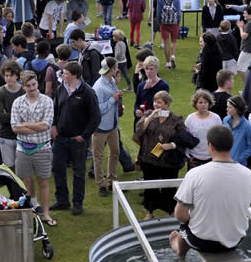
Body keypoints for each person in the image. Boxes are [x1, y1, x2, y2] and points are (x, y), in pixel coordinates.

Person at [170, 125, 251, 258]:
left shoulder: (195, 174)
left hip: (202, 241)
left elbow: (180, 214)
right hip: (235, 240)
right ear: (231, 145)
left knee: (183, 222)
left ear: (210, 145)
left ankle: (180, 243)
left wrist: (195, 219)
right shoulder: (248, 174)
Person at [51, 61, 100, 216]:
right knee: (57, 169)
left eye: (65, 73)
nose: (62, 75)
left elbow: (96, 117)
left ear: (74, 75)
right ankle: (62, 200)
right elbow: (55, 110)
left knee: (79, 172)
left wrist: (84, 136)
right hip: (60, 138)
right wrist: (53, 126)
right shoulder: (60, 89)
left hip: (77, 140)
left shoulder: (88, 92)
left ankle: (77, 203)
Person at [134, 90, 186, 220]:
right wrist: (150, 117)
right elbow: (138, 131)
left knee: (169, 188)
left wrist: (171, 145)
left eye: (159, 102)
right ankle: (150, 212)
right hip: (149, 159)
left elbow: (183, 138)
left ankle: (170, 212)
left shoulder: (176, 119)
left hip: (168, 160)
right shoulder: (148, 115)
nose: (156, 105)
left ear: (167, 104)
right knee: (150, 187)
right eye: (155, 102)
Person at [12, 71, 55, 225]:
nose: (32, 88)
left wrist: (25, 125)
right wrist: (36, 127)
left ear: (37, 83)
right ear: (23, 86)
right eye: (28, 86)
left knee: (43, 182)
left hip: (42, 148)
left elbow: (46, 125)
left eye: (34, 84)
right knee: (26, 181)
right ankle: (32, 209)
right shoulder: (17, 102)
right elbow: (15, 127)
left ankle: (46, 214)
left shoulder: (47, 101)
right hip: (22, 149)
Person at [92, 57, 123, 197]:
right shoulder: (98, 87)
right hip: (101, 127)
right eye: (116, 67)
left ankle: (112, 181)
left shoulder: (110, 80)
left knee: (115, 152)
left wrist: (117, 97)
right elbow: (98, 109)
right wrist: (113, 99)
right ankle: (101, 184)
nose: (117, 69)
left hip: (113, 125)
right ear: (112, 69)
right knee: (98, 156)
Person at [184, 89, 222, 169]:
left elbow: (220, 138)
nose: (203, 104)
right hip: (194, 158)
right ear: (195, 104)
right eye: (200, 102)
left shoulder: (216, 118)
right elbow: (186, 139)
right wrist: (188, 157)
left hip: (211, 157)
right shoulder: (190, 119)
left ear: (209, 103)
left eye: (205, 102)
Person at [223, 95, 251, 168]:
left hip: (239, 165)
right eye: (227, 106)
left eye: (229, 107)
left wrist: (238, 159)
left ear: (237, 109)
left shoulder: (247, 126)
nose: (227, 109)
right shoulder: (225, 120)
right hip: (224, 162)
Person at [236, 6, 251, 79]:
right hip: (250, 48)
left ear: (250, 15)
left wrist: (240, 28)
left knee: (240, 68)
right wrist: (243, 27)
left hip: (247, 49)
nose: (243, 15)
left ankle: (248, 86)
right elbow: (249, 33)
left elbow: (244, 36)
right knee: (247, 69)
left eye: (245, 13)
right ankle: (249, 88)